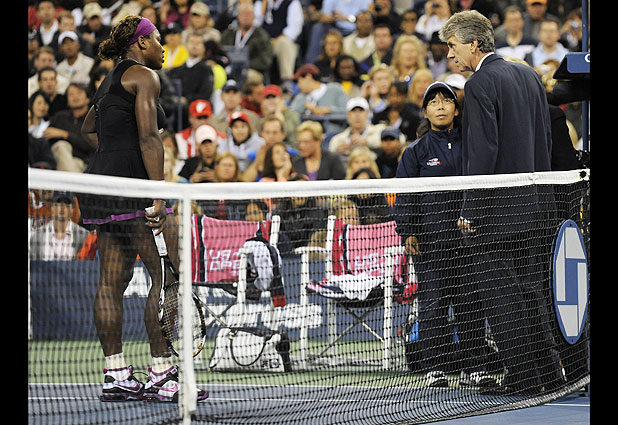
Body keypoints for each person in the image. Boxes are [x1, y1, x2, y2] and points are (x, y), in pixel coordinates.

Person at [78, 15, 208, 403]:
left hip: (102, 184)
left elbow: (88, 128)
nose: (163, 47)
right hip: (135, 186)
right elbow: (151, 138)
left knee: (110, 282)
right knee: (165, 277)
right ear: (140, 43)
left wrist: (115, 150)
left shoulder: (110, 79)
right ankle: (162, 374)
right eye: (157, 39)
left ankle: (116, 374)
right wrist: (158, 196)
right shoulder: (144, 76)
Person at [439, 10, 562, 394]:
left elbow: (483, 151)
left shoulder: (479, 84)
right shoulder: (527, 74)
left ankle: (524, 379)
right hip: (536, 206)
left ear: (473, 44)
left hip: (497, 215)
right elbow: (544, 140)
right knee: (531, 292)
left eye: (453, 46)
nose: (449, 55)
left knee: (502, 297)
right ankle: (549, 374)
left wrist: (470, 211)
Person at [395, 81, 468, 388]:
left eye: (446, 101)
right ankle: (434, 368)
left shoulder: (472, 145)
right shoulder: (415, 152)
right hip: (430, 244)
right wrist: (408, 232)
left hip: (468, 242)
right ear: (425, 112)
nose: (440, 106)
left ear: (456, 110)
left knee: (469, 303)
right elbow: (405, 196)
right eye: (434, 102)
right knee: (433, 305)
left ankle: (474, 366)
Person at [166, 32, 215, 129]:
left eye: (198, 43)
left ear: (203, 48)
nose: (194, 45)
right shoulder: (176, 71)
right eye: (192, 42)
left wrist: (186, 99)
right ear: (186, 45)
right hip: (176, 109)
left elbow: (205, 94)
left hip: (197, 110)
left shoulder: (206, 70)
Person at [45, 83, 95, 173]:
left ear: (88, 98)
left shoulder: (94, 119)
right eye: (71, 94)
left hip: (84, 163)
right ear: (67, 101)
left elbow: (92, 145)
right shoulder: (59, 117)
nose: (75, 96)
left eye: (79, 93)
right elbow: (46, 140)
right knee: (61, 145)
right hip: (59, 161)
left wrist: (65, 135)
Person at [253, 0, 304, 85]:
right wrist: (262, 11)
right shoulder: (262, 3)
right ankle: (256, 82)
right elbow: (253, 26)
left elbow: (293, 31)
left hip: (281, 43)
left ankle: (287, 80)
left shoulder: (292, 3)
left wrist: (275, 41)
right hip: (264, 43)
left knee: (284, 43)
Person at [288, 64, 349, 134]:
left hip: (336, 135)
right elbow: (291, 116)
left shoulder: (335, 89)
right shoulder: (301, 97)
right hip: (308, 137)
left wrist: (329, 110)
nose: (298, 86)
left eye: (299, 81)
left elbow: (349, 111)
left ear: (308, 77)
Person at [30, 191, 90, 261]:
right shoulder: (37, 236)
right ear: (51, 206)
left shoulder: (85, 237)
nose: (62, 207)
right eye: (58, 202)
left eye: (67, 203)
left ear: (72, 208)